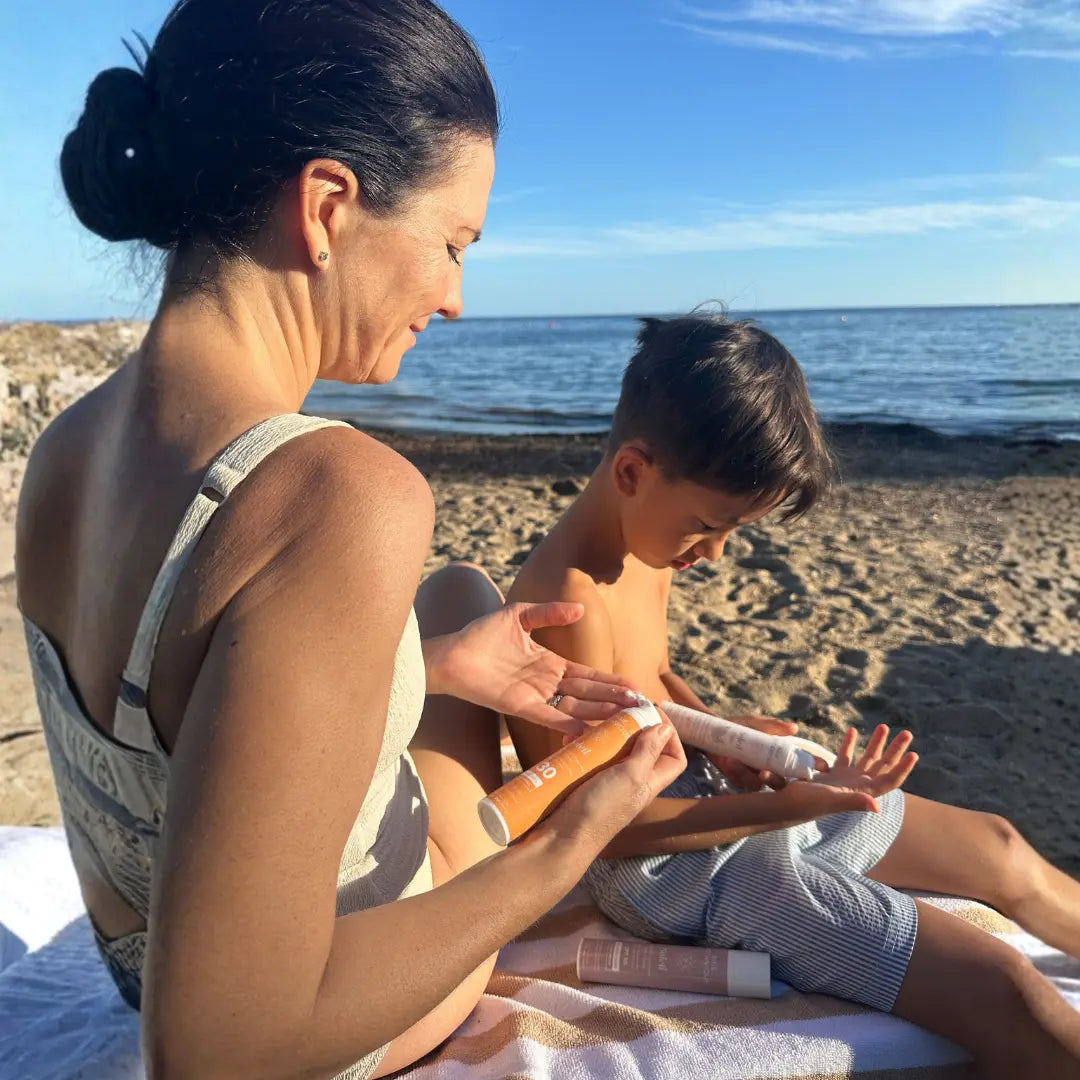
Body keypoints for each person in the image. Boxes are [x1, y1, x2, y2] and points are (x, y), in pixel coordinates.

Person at [14, 3, 685, 1077]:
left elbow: (170, 715)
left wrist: (423, 671)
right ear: (328, 205)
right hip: (317, 1020)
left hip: (137, 955)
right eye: (453, 244)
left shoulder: (66, 450)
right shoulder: (333, 493)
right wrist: (575, 837)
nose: (458, 299)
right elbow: (216, 1051)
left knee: (461, 603)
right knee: (493, 768)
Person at [506, 311, 1080, 1079]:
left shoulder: (643, 542)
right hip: (671, 874)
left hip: (706, 797)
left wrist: (726, 734)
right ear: (634, 472)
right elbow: (600, 832)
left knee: (1003, 847)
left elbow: (655, 685)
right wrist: (795, 808)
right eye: (710, 526)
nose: (714, 552)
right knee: (1000, 991)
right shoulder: (566, 604)